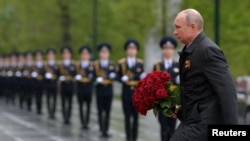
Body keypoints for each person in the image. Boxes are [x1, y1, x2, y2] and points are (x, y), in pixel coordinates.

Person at [170, 9, 238, 141]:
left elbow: (227, 92)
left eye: (178, 27)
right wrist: (181, 108)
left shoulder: (207, 50)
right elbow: (199, 91)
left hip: (203, 125)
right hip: (191, 122)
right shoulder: (190, 50)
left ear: (192, 27)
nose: (174, 32)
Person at [117, 39, 146, 141]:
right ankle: (128, 138)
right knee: (127, 118)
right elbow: (117, 76)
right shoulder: (122, 63)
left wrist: (143, 76)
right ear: (126, 50)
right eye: (130, 48)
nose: (132, 51)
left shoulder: (140, 63)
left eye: (134, 49)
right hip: (126, 92)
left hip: (137, 94)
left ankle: (134, 138)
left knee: (136, 118)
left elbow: (143, 77)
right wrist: (121, 78)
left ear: (136, 51)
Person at [153, 36, 180, 141]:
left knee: (172, 127)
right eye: (166, 48)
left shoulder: (178, 65)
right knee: (163, 127)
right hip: (162, 101)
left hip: (173, 101)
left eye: (170, 48)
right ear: (163, 50)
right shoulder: (158, 66)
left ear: (173, 50)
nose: (168, 51)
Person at [94, 43, 117, 138]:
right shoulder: (95, 64)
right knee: (100, 110)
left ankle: (106, 130)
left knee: (107, 111)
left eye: (106, 52)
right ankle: (101, 129)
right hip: (99, 89)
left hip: (108, 89)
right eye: (102, 52)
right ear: (100, 53)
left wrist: (113, 76)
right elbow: (91, 75)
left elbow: (116, 75)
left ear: (109, 53)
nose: (104, 54)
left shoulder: (112, 64)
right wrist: (96, 79)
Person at [75, 45, 95, 130]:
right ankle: (82, 122)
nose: (85, 56)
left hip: (88, 87)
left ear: (89, 56)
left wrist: (92, 77)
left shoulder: (93, 65)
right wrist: (76, 76)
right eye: (83, 54)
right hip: (80, 87)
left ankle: (86, 122)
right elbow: (73, 73)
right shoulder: (77, 65)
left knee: (88, 106)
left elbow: (95, 75)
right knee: (80, 106)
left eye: (86, 54)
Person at [58, 45, 76, 125]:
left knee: (70, 102)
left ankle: (68, 117)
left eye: (67, 53)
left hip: (70, 84)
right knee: (63, 102)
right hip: (63, 85)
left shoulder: (74, 64)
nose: (66, 55)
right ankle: (64, 117)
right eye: (64, 54)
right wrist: (60, 77)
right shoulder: (60, 64)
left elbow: (75, 73)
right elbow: (57, 73)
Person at [44, 48, 59, 119]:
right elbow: (42, 73)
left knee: (55, 99)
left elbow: (59, 74)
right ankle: (49, 111)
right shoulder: (45, 65)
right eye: (49, 55)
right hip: (48, 84)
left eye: (52, 55)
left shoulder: (57, 64)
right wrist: (45, 75)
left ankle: (53, 112)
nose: (51, 56)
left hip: (54, 84)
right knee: (48, 98)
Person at [31, 50, 45, 115]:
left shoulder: (44, 65)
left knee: (41, 96)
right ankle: (38, 109)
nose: (39, 57)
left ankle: (40, 108)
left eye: (40, 56)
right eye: (37, 56)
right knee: (37, 96)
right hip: (35, 83)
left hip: (42, 83)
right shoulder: (33, 65)